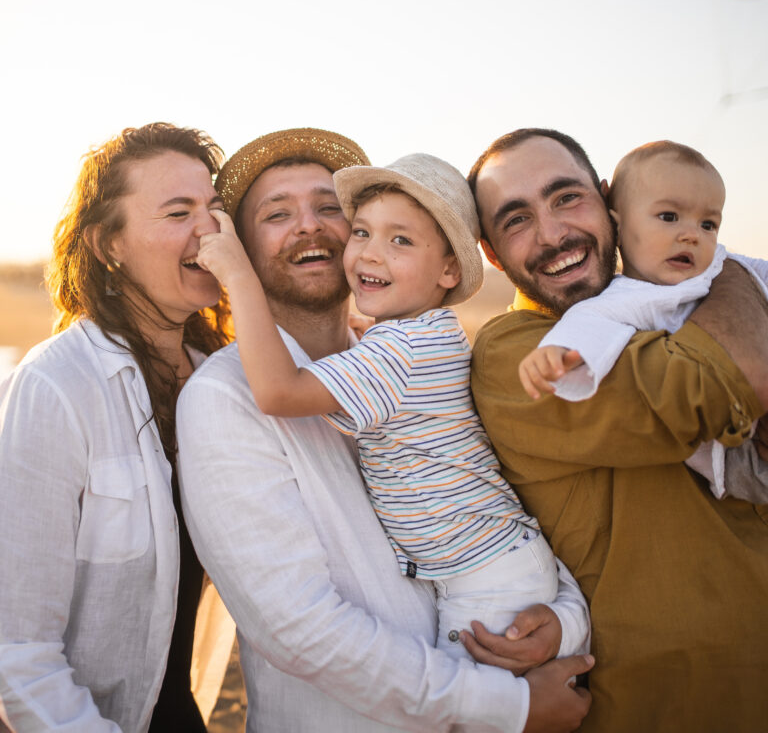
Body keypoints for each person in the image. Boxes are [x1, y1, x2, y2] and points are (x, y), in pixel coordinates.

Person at [176, 128, 594, 733]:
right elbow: (301, 630)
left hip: (486, 619)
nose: (310, 226)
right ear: (239, 247)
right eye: (276, 213)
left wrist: (566, 620)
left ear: (446, 266)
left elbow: (510, 511)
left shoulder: (397, 356)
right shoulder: (223, 396)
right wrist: (514, 707)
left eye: (329, 208)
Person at [467, 127, 768, 733]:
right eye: (517, 220)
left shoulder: (661, 304)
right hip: (668, 699)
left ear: (608, 201)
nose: (554, 235)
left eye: (566, 198)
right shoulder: (523, 355)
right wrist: (724, 266)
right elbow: (729, 379)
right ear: (493, 254)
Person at [0, 123, 233, 732]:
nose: (208, 229)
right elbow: (18, 653)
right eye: (178, 211)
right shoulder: (56, 385)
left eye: (214, 209)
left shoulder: (224, 383)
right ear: (110, 244)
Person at [517, 140, 768, 503]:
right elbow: (588, 325)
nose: (691, 234)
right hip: (736, 456)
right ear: (616, 224)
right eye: (669, 217)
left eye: (708, 224)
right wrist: (555, 353)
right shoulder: (625, 299)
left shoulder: (717, 266)